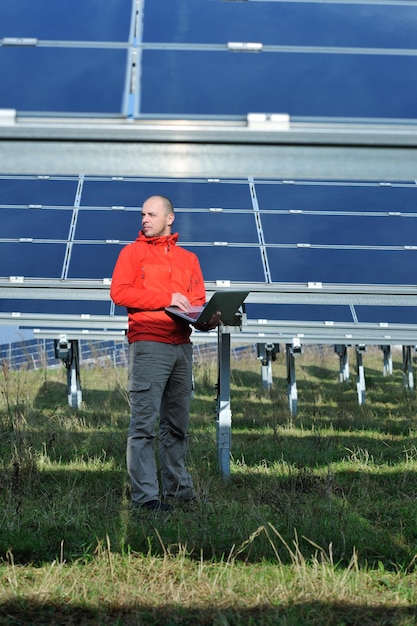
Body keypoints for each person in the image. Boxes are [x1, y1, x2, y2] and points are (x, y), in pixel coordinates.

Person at [110, 195, 220, 511]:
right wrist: (165, 297)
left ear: (169, 218)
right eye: (142, 214)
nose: (144, 219)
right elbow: (119, 292)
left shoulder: (189, 260)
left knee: (177, 424)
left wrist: (209, 320)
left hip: (182, 348)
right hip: (149, 344)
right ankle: (146, 497)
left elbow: (196, 302)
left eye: (152, 214)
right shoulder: (132, 253)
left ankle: (178, 489)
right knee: (143, 425)